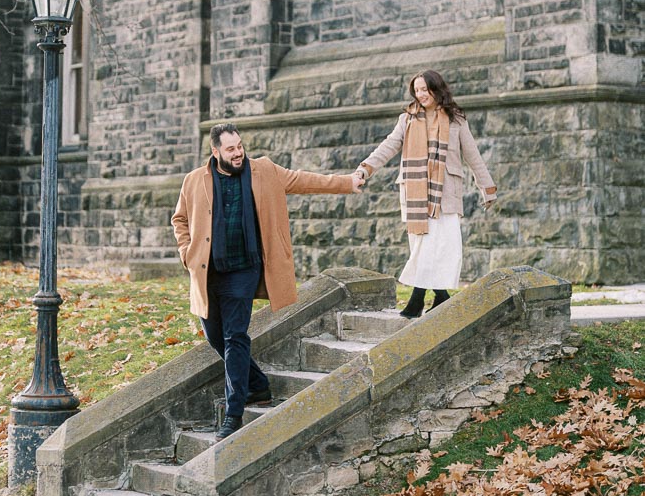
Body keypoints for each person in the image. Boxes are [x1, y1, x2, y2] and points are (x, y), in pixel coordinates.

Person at [171, 123, 360, 439]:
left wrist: (347, 183)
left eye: (240, 146)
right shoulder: (194, 181)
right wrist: (186, 253)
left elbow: (304, 181)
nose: (238, 153)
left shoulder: (265, 171)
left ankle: (233, 414)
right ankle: (258, 386)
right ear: (215, 151)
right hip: (208, 272)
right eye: (231, 149)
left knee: (235, 337)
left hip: (245, 270)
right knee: (215, 336)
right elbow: (180, 219)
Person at [350, 70, 496, 318]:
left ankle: (417, 299)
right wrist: (365, 169)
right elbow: (388, 146)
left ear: (436, 90)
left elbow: (473, 156)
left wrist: (487, 187)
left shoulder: (456, 121)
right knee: (422, 245)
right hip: (415, 194)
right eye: (416, 90)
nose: (420, 95)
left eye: (424, 90)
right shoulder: (406, 120)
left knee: (440, 247)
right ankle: (440, 297)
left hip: (445, 193)